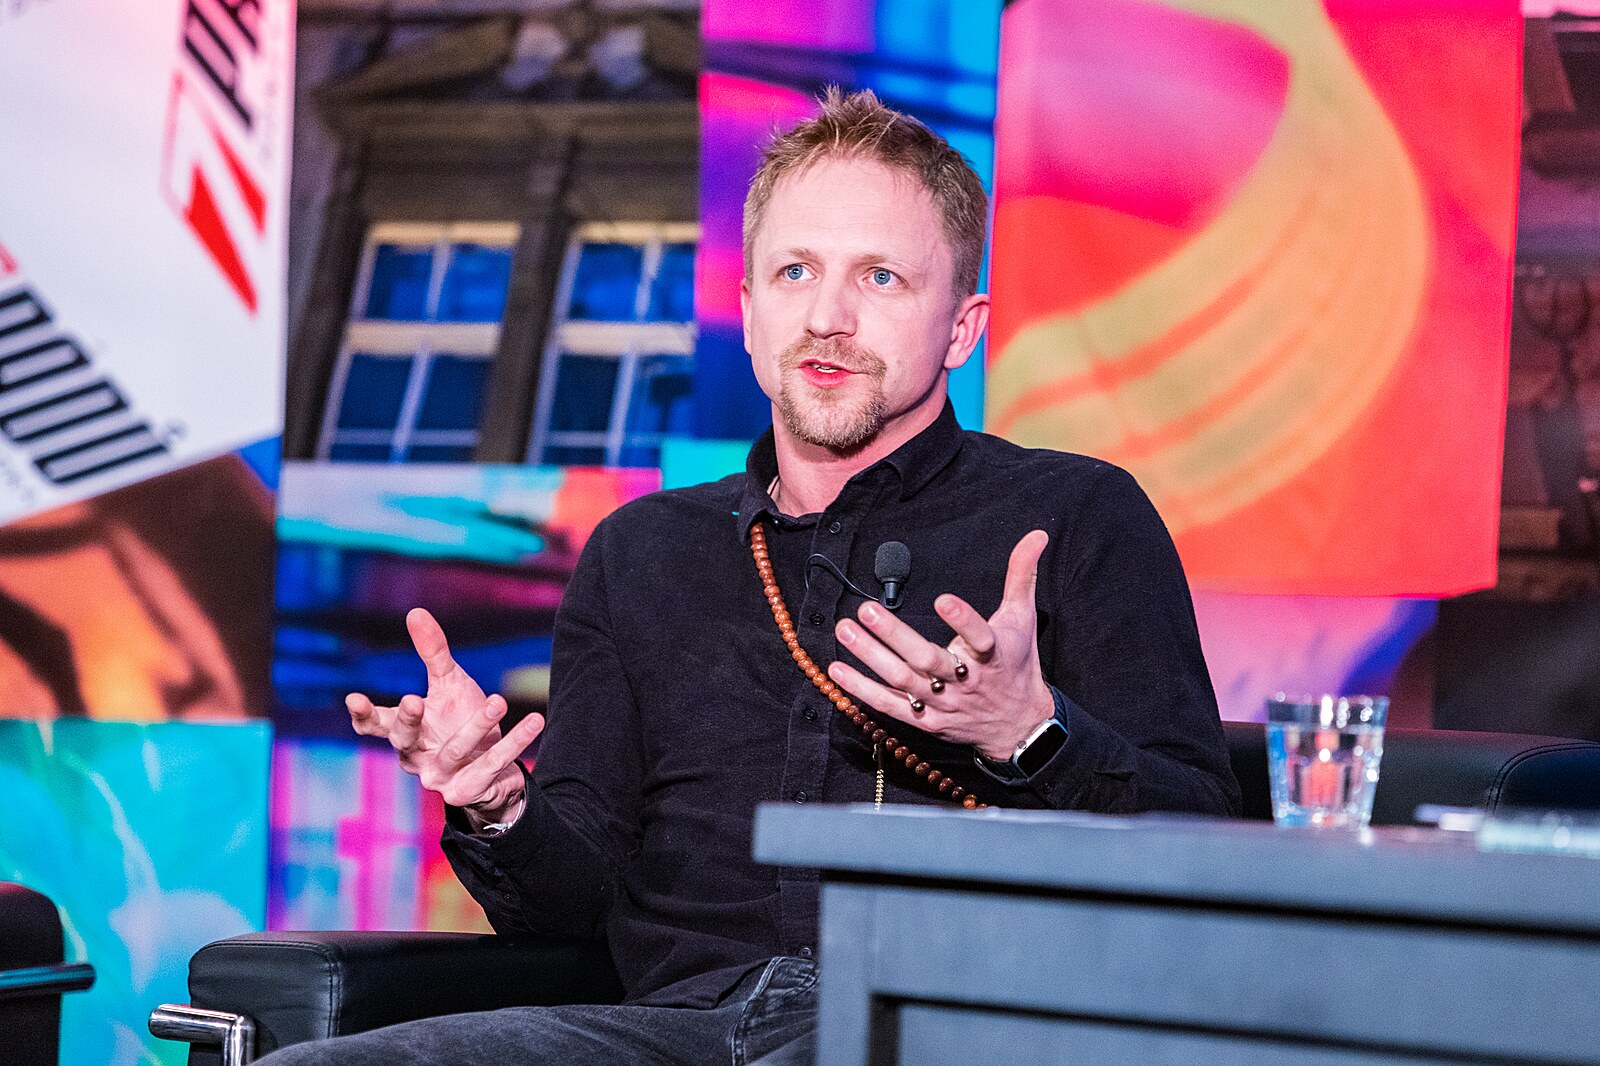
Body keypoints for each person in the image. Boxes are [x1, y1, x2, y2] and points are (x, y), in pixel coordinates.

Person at [263, 88, 1239, 1065]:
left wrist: (1027, 733)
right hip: (672, 1031)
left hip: (944, 1022)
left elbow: (1209, 848)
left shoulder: (1074, 516)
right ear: (746, 311)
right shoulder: (640, 552)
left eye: (881, 277)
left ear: (961, 327)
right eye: (794, 271)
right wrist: (495, 804)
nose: (826, 316)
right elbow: (571, 904)